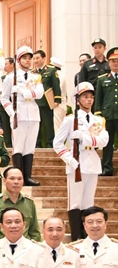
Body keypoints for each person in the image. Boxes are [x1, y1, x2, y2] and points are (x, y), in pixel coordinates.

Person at [54, 82, 108, 239]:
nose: (89, 100)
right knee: (75, 202)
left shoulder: (98, 120)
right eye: (85, 97)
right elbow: (57, 143)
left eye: (91, 97)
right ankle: (76, 236)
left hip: (92, 163)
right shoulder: (70, 120)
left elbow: (104, 140)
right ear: (78, 100)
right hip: (76, 163)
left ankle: (86, 236)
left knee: (88, 202)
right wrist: (70, 160)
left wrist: (85, 138)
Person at [1, 46, 44, 186]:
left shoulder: (36, 77)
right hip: (18, 114)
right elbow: (4, 98)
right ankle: (18, 177)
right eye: (24, 58)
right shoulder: (10, 77)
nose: (28, 61)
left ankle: (28, 177)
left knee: (30, 146)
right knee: (18, 146)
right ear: (18, 60)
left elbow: (40, 94)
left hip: (33, 114)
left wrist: (23, 91)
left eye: (30, 58)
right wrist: (11, 112)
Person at [0, 166, 41, 242]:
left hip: (25, 246)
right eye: (12, 178)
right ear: (4, 181)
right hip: (1, 246)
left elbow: (34, 231)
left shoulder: (29, 202)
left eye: (19, 179)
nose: (16, 182)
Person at [93, 47, 118, 175]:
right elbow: (98, 99)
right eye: (113, 61)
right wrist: (98, 115)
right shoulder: (102, 79)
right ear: (109, 62)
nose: (116, 63)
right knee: (107, 143)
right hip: (107, 116)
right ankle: (107, 168)